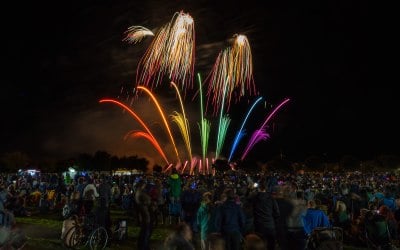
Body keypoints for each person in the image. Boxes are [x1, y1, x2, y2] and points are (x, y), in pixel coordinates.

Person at [248, 181, 280, 250]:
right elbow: (277, 213)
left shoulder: (254, 198)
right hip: (270, 225)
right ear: (266, 188)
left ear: (259, 188)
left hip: (259, 225)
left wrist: (249, 189)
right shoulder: (271, 198)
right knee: (271, 246)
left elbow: (247, 200)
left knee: (259, 246)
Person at [135, 180, 153, 250]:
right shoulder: (141, 193)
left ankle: (141, 245)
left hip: (142, 213)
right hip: (144, 213)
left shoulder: (138, 191)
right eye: (144, 184)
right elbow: (147, 200)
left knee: (143, 231)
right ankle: (144, 246)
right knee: (145, 231)